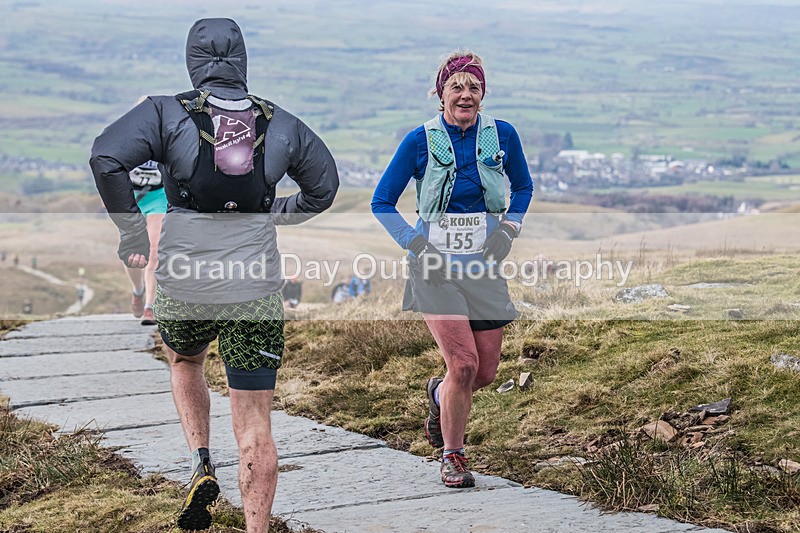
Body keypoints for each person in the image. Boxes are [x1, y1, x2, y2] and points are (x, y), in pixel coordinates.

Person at [90, 18, 338, 532]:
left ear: (193, 62)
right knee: (255, 424)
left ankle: (201, 460)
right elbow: (325, 187)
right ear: (243, 63)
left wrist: (134, 236)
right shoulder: (281, 122)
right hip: (255, 289)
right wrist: (271, 211)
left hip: (185, 282)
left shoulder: (165, 111)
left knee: (184, 361)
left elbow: (106, 156)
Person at [371, 50, 533, 488]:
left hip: (484, 267)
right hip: (434, 268)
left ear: (484, 94)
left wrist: (508, 230)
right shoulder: (419, 141)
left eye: (474, 87)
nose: (465, 94)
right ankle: (453, 456)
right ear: (440, 93)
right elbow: (381, 202)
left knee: (483, 373)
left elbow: (523, 186)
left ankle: (438, 396)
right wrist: (416, 243)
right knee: (461, 364)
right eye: (456, 86)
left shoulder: (502, 135)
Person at [126, 160, 166, 325]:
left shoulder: (166, 133)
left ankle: (150, 306)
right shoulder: (123, 135)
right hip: (129, 194)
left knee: (154, 250)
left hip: (159, 195)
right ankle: (138, 290)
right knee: (132, 254)